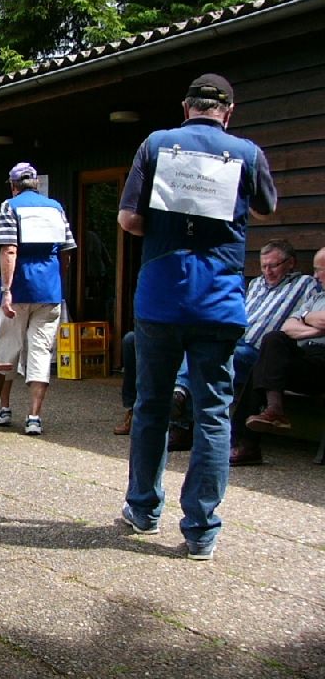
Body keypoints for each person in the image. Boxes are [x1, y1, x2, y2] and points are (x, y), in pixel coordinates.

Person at [117, 73, 276, 560]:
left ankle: (143, 509)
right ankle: (202, 531)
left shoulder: (156, 144)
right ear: (228, 112)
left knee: (152, 405)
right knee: (212, 413)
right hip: (219, 298)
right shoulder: (246, 153)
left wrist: (163, 225)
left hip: (161, 296)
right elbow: (267, 208)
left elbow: (127, 219)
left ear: (186, 107)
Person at [115, 239, 316, 445]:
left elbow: (311, 314)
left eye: (273, 265)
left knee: (207, 354)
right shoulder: (256, 284)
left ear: (291, 263)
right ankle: (147, 408)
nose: (268, 271)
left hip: (258, 353)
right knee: (137, 341)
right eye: (264, 266)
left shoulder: (306, 284)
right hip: (235, 340)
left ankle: (181, 417)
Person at [0, 162, 76, 435]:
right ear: (37, 184)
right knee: (41, 351)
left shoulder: (9, 207)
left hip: (19, 288)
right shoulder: (56, 208)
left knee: (8, 348)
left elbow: (9, 250)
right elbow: (66, 251)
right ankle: (34, 417)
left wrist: (7, 290)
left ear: (13, 186)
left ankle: (3, 408)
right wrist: (57, 281)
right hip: (49, 290)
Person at [230, 246, 325, 465]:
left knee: (260, 367)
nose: (315, 276)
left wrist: (305, 320)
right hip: (306, 356)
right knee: (273, 339)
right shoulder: (316, 297)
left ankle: (246, 444)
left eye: (319, 270)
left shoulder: (309, 293)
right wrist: (315, 327)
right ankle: (274, 410)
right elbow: (288, 327)